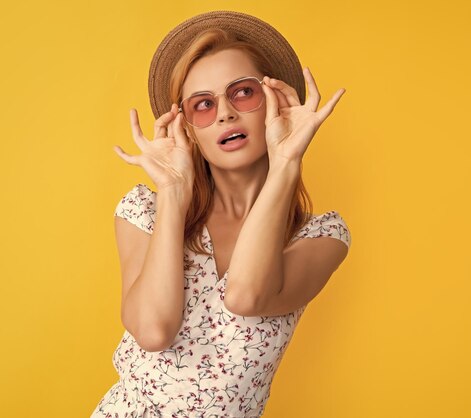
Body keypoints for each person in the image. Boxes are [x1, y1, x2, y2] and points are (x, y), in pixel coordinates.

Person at [91, 10, 351, 417]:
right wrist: (175, 192)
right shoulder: (145, 210)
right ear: (189, 128)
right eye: (204, 105)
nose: (226, 114)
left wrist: (286, 161)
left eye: (242, 93)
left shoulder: (321, 237)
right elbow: (153, 331)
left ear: (274, 102)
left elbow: (247, 295)